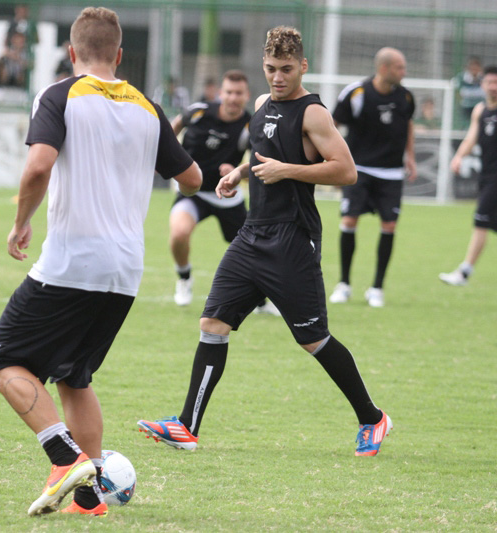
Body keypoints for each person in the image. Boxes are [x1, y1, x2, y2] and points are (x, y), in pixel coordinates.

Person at [0, 7, 201, 517]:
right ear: (120, 55)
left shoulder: (59, 94)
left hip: (71, 261)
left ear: (71, 52)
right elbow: (190, 179)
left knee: (2, 360)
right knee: (74, 376)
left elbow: (39, 165)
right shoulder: (147, 106)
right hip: (125, 270)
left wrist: (21, 222)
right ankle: (89, 497)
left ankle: (64, 459)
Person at [137, 26, 392, 458]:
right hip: (253, 234)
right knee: (213, 324)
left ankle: (372, 418)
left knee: (314, 339)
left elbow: (346, 171)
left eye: (286, 70)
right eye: (271, 69)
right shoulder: (261, 104)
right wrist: (238, 173)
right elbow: (258, 153)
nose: (277, 77)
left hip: (294, 237)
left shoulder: (313, 114)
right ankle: (186, 426)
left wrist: (287, 170)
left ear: (303, 66)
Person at [168, 70, 277, 315]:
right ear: (220, 93)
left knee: (254, 248)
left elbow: (260, 162)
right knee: (179, 233)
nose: (233, 98)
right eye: (228, 92)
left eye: (239, 93)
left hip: (227, 195)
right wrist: (166, 157)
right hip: (192, 192)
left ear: (246, 95)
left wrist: (237, 171)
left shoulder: (251, 125)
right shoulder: (199, 112)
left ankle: (259, 301)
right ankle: (184, 279)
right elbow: (172, 129)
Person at [329, 47, 417, 308]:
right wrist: (334, 158)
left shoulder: (406, 97)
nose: (404, 72)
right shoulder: (356, 93)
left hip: (390, 172)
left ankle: (377, 288)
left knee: (389, 226)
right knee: (349, 220)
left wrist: (409, 157)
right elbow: (332, 125)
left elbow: (408, 125)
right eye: (399, 67)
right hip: (358, 170)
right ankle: (344, 284)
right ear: (383, 69)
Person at [439, 66, 497, 289]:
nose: (492, 86)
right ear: (482, 85)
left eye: (496, 82)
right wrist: (459, 156)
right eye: (489, 82)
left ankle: (464, 272)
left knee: (480, 219)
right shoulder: (480, 110)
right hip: (486, 174)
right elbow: (472, 138)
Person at [455, 56, 484, 126]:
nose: (474, 69)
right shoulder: (460, 78)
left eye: (476, 67)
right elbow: (456, 93)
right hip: (465, 108)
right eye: (472, 67)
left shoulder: (484, 78)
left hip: (480, 108)